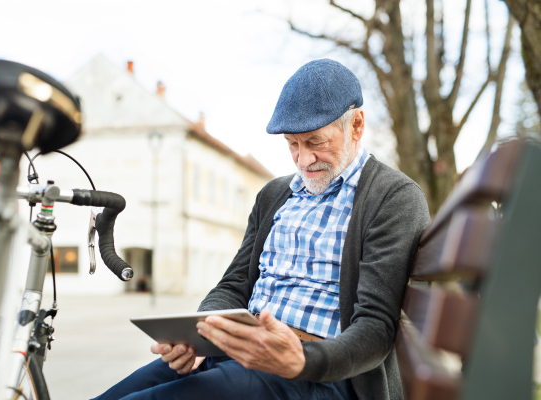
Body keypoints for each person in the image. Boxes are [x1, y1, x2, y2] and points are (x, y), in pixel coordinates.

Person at [92, 59, 430, 400]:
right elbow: (235, 285)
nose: (303, 161)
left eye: (316, 142)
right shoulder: (274, 195)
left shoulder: (393, 198)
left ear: (356, 124)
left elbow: (375, 329)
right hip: (236, 353)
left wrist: (300, 359)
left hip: (316, 374)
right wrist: (198, 335)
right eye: (292, 145)